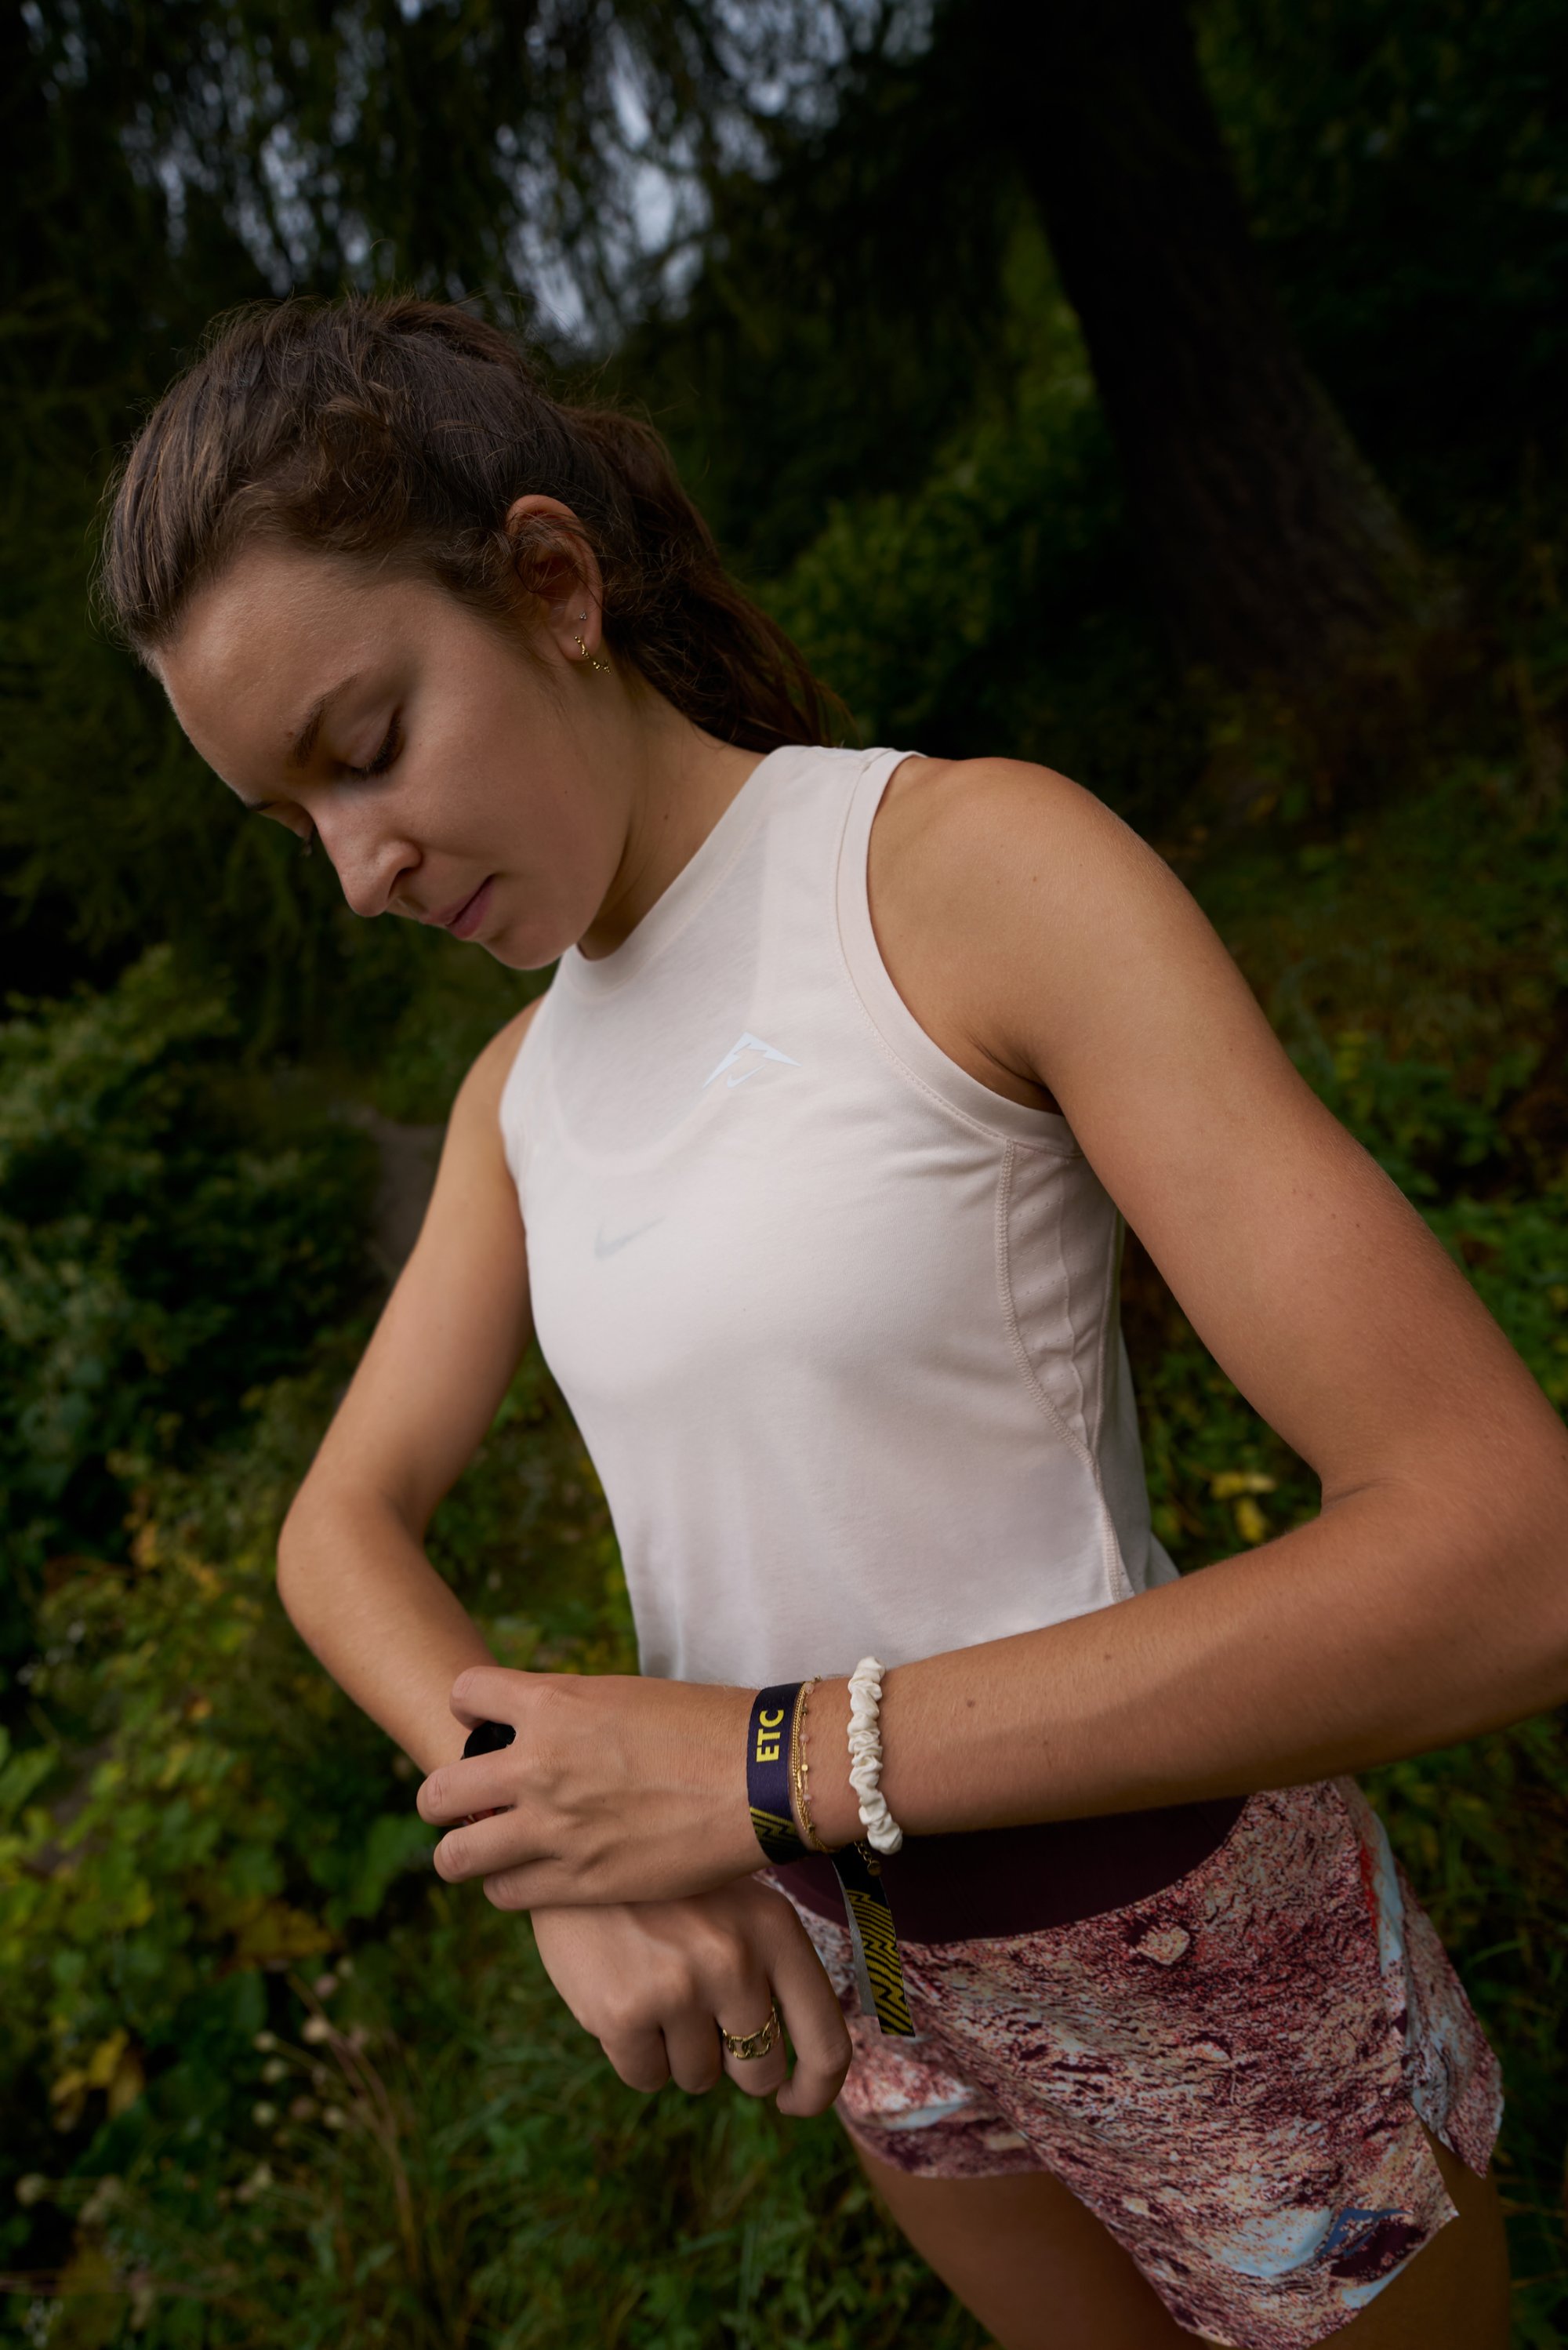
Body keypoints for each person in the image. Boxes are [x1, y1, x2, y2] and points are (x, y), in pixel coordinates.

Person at [100, 295, 1562, 2350]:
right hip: (875, 2011)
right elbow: (335, 1534)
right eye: (296, 821)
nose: (356, 869)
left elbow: (1512, 1555)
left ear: (550, 581)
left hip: (1193, 1945)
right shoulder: (516, 1099)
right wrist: (575, 1850)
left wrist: (754, 1767)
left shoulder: (965, 875)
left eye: (367, 750)